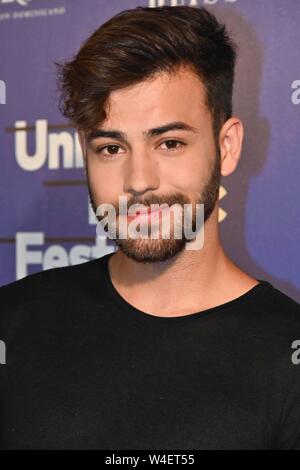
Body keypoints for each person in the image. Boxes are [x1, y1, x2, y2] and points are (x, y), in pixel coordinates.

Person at [1, 5, 300, 450]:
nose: (139, 181)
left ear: (227, 146)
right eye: (111, 148)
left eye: (170, 142)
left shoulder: (287, 355)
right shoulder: (13, 319)